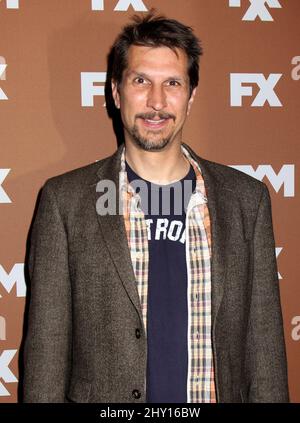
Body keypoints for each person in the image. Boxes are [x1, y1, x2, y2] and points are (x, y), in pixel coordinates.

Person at [23, 11, 289, 403]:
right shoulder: (65, 202)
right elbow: (46, 356)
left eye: (173, 83)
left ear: (191, 95)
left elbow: (264, 350)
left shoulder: (246, 200)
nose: (157, 101)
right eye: (141, 80)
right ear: (116, 92)